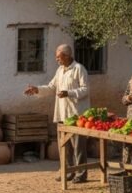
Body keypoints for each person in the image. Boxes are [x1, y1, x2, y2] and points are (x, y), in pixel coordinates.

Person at [24, 43, 90, 183]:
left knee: (78, 145)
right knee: (64, 146)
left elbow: (85, 90)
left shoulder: (79, 69)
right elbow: (51, 87)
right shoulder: (60, 70)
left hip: (76, 114)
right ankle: (67, 171)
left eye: (58, 57)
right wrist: (37, 89)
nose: (57, 59)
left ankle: (81, 174)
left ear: (67, 56)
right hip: (62, 113)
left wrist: (69, 93)